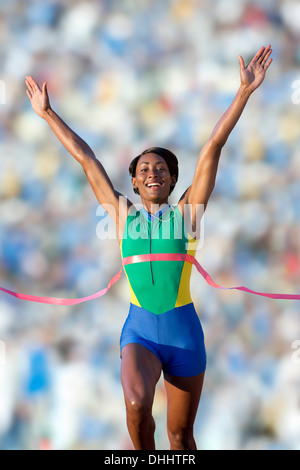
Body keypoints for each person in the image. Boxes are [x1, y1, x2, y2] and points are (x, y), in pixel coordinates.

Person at [25, 45, 272, 450]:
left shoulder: (188, 214)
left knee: (180, 436)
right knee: (138, 405)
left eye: (160, 169)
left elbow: (212, 148)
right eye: (143, 170)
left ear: (172, 181)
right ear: (135, 184)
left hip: (185, 333)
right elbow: (87, 160)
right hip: (140, 330)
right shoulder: (122, 216)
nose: (152, 173)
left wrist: (243, 93)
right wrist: (48, 113)